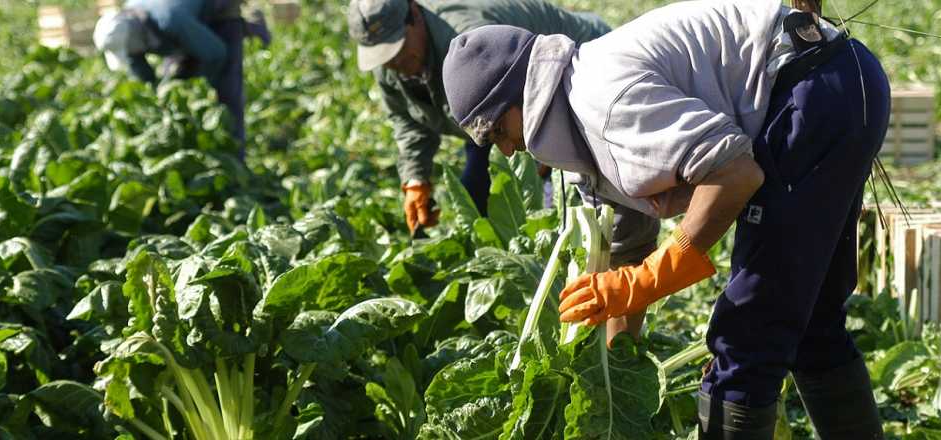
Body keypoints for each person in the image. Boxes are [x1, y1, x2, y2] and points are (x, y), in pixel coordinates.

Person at [440, 0, 890, 438]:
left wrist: (659, 273)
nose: (505, 149)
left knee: (747, 335)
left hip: (815, 94)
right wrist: (615, 369)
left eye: (499, 129)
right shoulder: (579, 124)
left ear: (524, 94)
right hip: (841, 82)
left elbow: (735, 173)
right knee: (810, 321)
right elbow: (627, 246)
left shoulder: (603, 101)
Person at [348, 0, 622, 235]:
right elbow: (407, 120)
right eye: (383, 56)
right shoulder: (391, 65)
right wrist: (416, 179)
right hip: (496, 113)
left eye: (397, 48)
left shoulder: (467, 38)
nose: (393, 63)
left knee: (589, 187)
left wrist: (543, 159)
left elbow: (526, 102)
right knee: (476, 192)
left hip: (578, 71)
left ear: (415, 15)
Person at [93, 0, 270, 154]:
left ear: (135, 37)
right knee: (175, 81)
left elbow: (217, 54)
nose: (131, 54)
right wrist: (157, 98)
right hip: (183, 21)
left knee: (226, 93)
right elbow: (140, 69)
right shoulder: (129, 27)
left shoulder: (168, 20)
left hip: (218, 12)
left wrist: (196, 84)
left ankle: (236, 162)